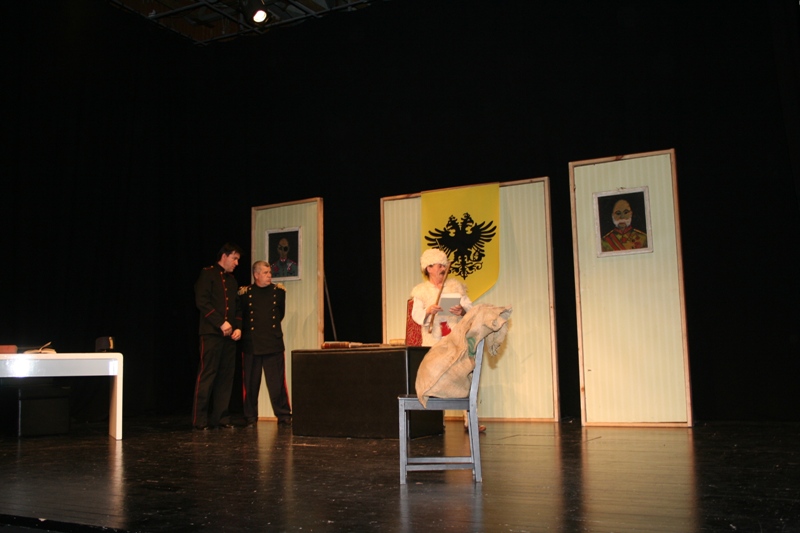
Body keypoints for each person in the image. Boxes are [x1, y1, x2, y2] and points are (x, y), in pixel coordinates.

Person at [410, 248, 484, 432]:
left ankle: (470, 420)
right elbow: (416, 315)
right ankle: (435, 422)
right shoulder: (421, 291)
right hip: (434, 341)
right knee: (435, 379)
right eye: (439, 265)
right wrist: (429, 311)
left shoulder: (455, 287)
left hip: (455, 339)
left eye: (444, 265)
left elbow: (470, 308)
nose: (443, 268)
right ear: (429, 268)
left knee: (464, 375)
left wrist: (462, 311)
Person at [192, 243, 243, 430]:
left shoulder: (232, 281)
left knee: (226, 377)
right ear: (224, 256)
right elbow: (202, 301)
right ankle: (199, 419)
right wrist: (220, 322)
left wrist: (238, 328)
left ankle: (221, 417)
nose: (236, 263)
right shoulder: (208, 274)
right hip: (212, 334)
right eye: (234, 258)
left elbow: (237, 307)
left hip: (229, 337)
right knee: (207, 374)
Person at [239, 261, 292, 427]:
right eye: (266, 273)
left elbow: (280, 314)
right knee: (251, 384)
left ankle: (284, 415)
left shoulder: (278, 291)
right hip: (252, 344)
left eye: (270, 273)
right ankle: (250, 417)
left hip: (272, 343)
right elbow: (242, 316)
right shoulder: (245, 293)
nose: (270, 276)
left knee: (277, 384)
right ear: (256, 275)